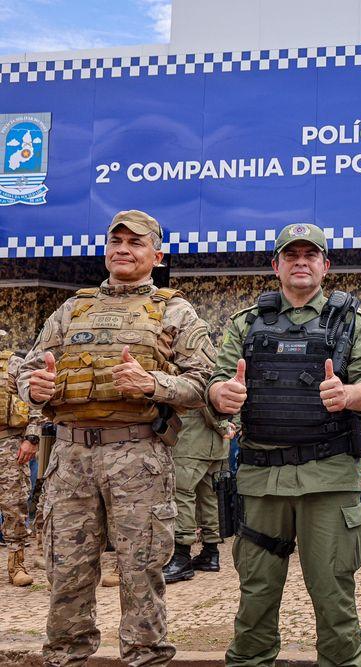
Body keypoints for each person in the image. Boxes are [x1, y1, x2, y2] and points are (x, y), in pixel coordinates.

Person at [17, 210, 215, 666]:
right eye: (116, 240)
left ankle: (145, 656)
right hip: (69, 458)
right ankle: (65, 655)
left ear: (157, 254)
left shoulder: (175, 311)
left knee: (141, 573)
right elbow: (29, 369)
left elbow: (205, 383)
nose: (123, 249)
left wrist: (153, 386)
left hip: (139, 457)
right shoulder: (71, 309)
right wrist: (36, 388)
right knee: (65, 572)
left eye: (136, 242)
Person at [208, 222, 361, 667]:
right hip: (261, 480)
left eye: (311, 255)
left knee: (334, 599)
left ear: (326, 266)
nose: (301, 262)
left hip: (329, 479)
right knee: (256, 601)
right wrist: (220, 394)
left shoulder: (351, 320)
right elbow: (216, 383)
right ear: (276, 265)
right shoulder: (245, 322)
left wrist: (349, 395)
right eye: (292, 255)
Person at [163, 405, 232, 583]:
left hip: (191, 441)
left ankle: (182, 557)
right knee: (210, 496)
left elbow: (201, 399)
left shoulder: (193, 375)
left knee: (182, 495)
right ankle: (210, 553)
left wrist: (222, 427)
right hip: (215, 445)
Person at [0, 349, 38, 586]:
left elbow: (34, 401)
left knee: (14, 505)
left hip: (9, 442)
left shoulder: (13, 363)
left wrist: (31, 438)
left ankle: (16, 565)